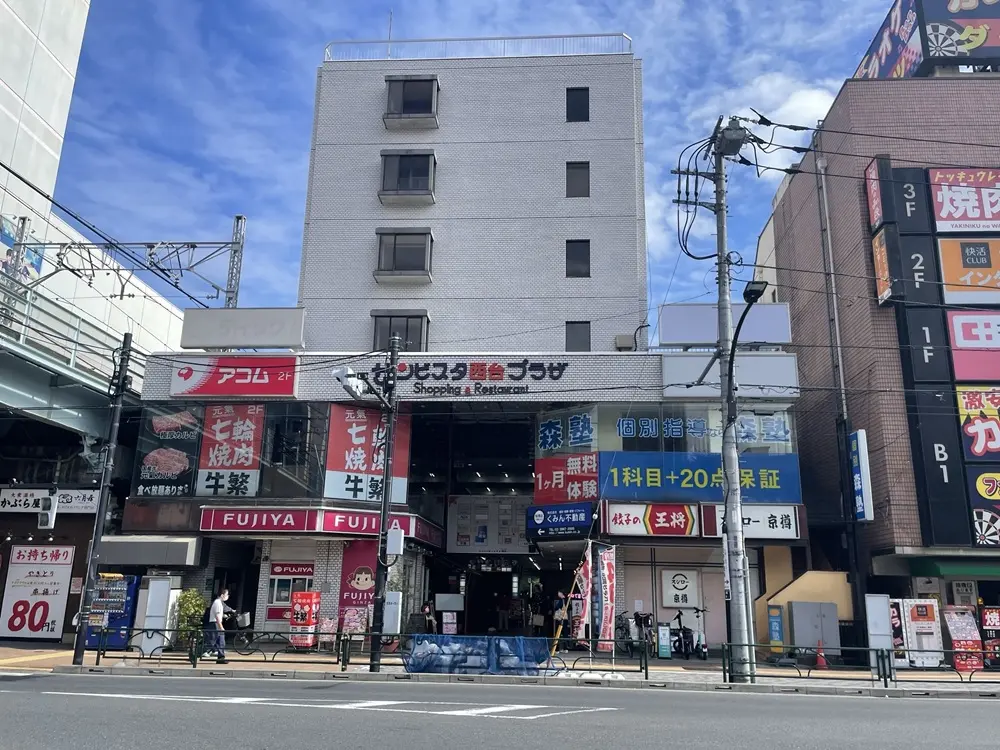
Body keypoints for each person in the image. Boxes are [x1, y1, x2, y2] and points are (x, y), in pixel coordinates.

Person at [207, 589, 234, 664]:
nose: (227, 596)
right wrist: (221, 626)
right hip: (215, 624)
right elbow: (217, 616)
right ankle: (198, 653)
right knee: (212, 642)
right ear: (222, 595)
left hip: (215, 623)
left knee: (220, 641)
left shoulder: (219, 603)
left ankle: (221, 658)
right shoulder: (218, 603)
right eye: (227, 594)